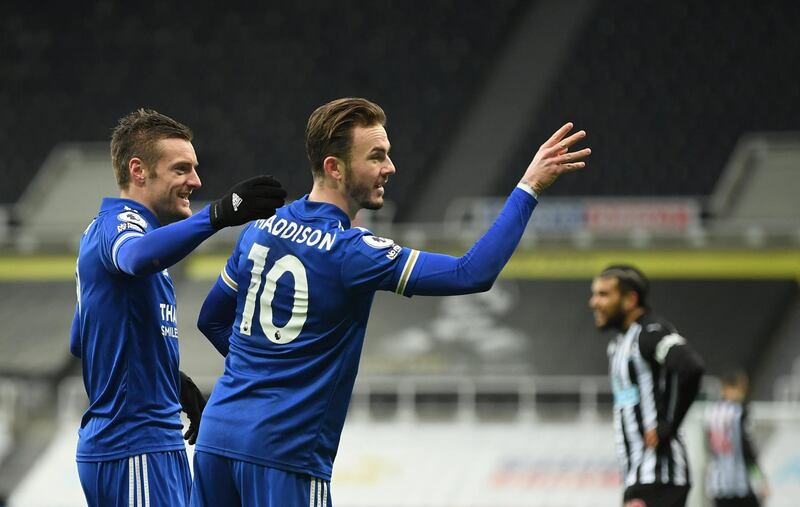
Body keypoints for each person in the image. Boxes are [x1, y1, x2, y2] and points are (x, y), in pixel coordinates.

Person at [189, 97, 591, 506]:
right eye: (377, 156)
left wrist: (262, 372)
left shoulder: (260, 229)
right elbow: (472, 273)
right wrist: (529, 188)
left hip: (216, 438)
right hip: (283, 454)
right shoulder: (352, 251)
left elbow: (211, 319)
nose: (390, 168)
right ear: (334, 167)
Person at [70, 108, 286, 506]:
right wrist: (217, 215)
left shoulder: (125, 235)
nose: (196, 181)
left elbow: (83, 338)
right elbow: (135, 257)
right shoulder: (120, 225)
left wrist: (169, 379)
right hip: (134, 444)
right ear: (138, 170)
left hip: (145, 443)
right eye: (182, 169)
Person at [589, 265, 705, 507]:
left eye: (603, 294)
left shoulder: (650, 333)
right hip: (638, 476)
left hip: (659, 475)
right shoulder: (618, 344)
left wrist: (669, 425)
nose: (594, 302)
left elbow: (691, 367)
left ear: (630, 299)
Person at [704, 371, 768, 507]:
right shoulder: (739, 412)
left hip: (718, 483)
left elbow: (709, 447)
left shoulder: (710, 412)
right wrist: (760, 479)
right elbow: (747, 449)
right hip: (739, 484)